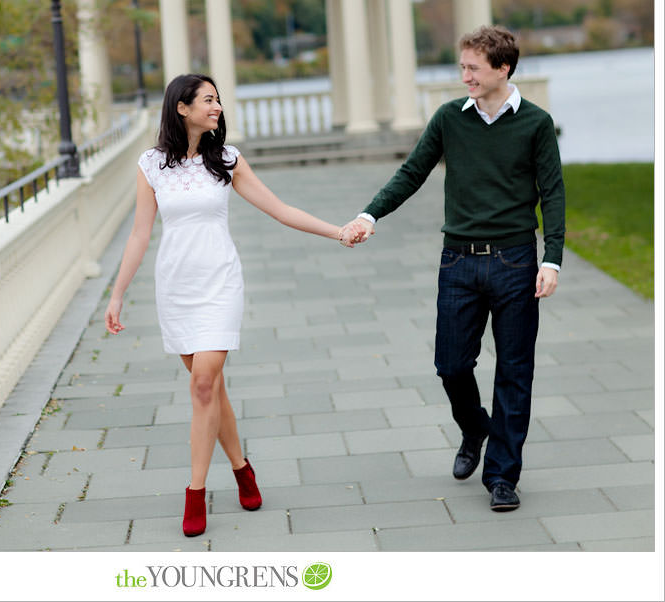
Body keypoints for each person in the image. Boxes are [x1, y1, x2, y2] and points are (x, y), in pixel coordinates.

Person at [105, 73, 363, 536]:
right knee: (211, 389)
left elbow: (280, 209)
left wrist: (338, 230)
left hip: (220, 283)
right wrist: (118, 293)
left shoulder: (226, 159)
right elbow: (140, 233)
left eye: (218, 100)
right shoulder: (151, 165)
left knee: (204, 383)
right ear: (181, 108)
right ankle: (242, 467)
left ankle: (196, 493)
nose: (218, 106)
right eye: (209, 100)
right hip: (177, 287)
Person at [345, 26, 565, 512]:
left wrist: (552, 258)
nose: (463, 75)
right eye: (462, 66)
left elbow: (553, 194)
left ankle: (503, 476)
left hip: (515, 262)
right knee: (450, 365)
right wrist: (369, 214)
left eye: (472, 68)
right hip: (458, 261)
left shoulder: (535, 123)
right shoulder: (449, 118)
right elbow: (412, 172)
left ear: (502, 68)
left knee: (515, 372)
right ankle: (475, 428)